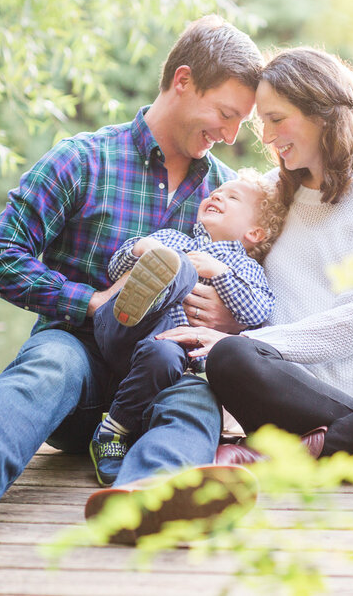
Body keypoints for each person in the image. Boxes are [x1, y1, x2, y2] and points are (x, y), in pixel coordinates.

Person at [0, 16, 265, 544]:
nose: (231, 137)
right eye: (226, 114)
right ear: (183, 81)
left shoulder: (227, 194)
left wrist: (227, 317)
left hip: (165, 372)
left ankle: (147, 499)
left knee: (195, 397)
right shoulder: (82, 160)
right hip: (81, 374)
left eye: (240, 124)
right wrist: (91, 302)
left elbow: (258, 296)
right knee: (49, 365)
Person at [155, 47, 353, 471]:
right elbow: (218, 256)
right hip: (289, 395)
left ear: (324, 113)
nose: (265, 138)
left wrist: (254, 340)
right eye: (262, 122)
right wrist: (233, 325)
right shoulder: (269, 193)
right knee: (230, 359)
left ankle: (320, 449)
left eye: (276, 119)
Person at [89, 169, 284, 486]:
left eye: (232, 197)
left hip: (168, 353)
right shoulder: (172, 239)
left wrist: (220, 273)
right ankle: (153, 295)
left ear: (255, 233)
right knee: (178, 267)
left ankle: (114, 431)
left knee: (165, 356)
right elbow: (116, 267)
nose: (217, 195)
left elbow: (257, 311)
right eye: (217, 191)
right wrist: (141, 249)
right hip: (121, 327)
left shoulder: (244, 268)